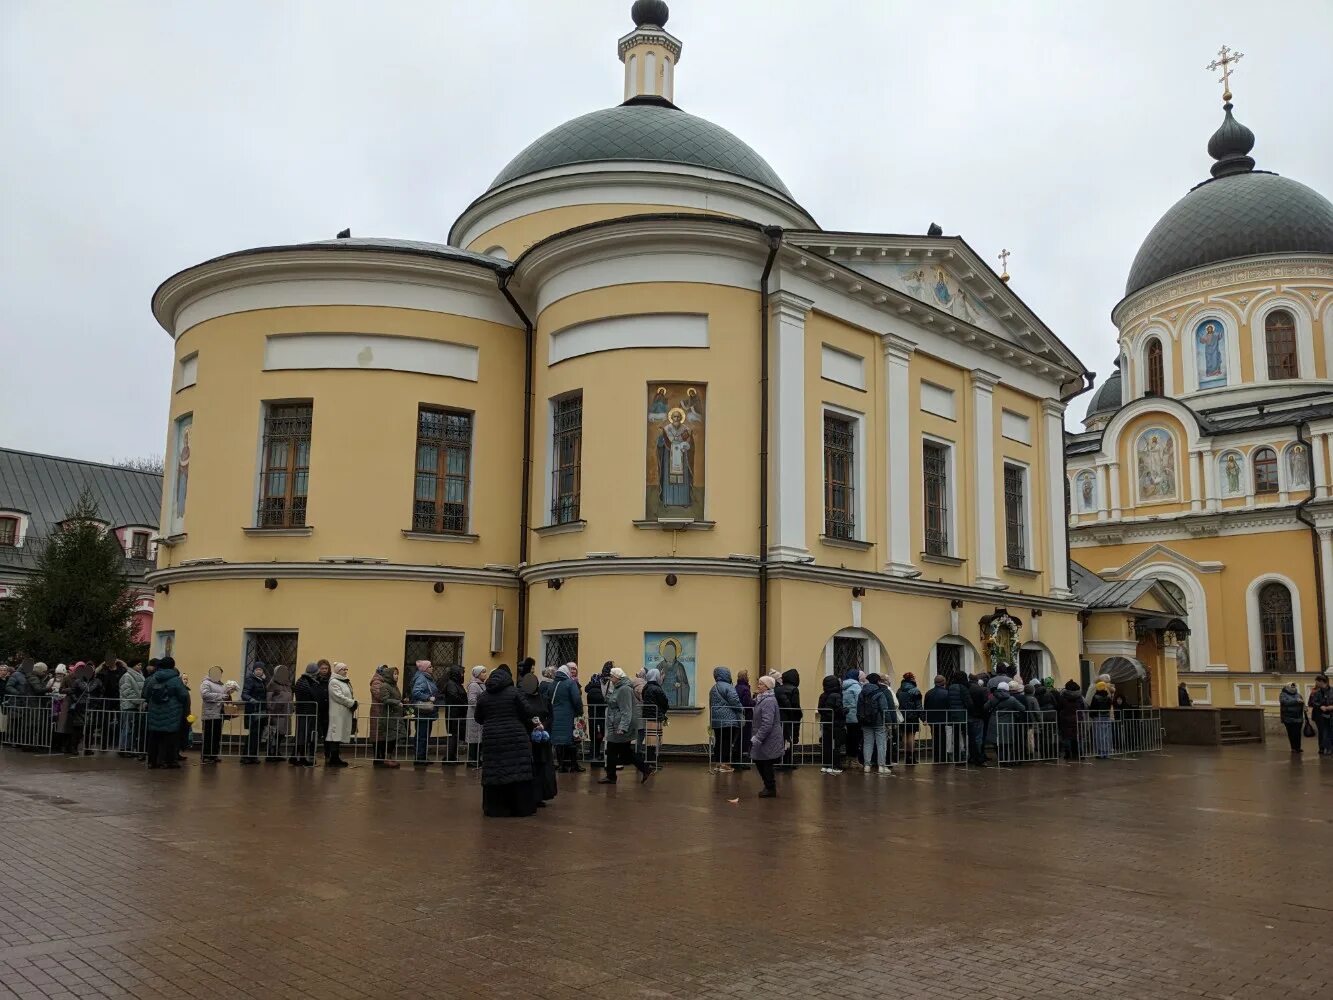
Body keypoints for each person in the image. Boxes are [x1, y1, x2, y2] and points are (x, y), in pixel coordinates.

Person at [473, 664, 540, 818]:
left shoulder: (484, 696)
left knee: (495, 771)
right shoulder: (514, 692)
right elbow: (528, 711)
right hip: (516, 737)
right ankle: (521, 807)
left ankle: (495, 808)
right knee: (518, 770)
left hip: (492, 738)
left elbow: (478, 717)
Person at [599, 667, 651, 784]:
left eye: (612, 677)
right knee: (625, 752)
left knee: (612, 750)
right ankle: (645, 768)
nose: (611, 680)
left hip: (620, 726)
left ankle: (611, 776)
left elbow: (626, 710)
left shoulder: (624, 689)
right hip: (617, 724)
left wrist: (622, 727)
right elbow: (613, 702)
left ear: (618, 677)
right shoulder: (619, 688)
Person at [142, 656, 189, 769]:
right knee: (170, 738)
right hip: (172, 714)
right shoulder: (175, 680)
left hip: (154, 713)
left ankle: (152, 761)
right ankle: (169, 761)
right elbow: (184, 695)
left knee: (154, 737)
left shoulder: (153, 678)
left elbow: (146, 694)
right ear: (173, 666)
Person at [750, 675, 785, 797]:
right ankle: (769, 786)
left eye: (761, 684)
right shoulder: (763, 699)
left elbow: (767, 723)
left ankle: (770, 788)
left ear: (767, 687)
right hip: (765, 738)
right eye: (758, 683)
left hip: (768, 738)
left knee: (765, 763)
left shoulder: (768, 701)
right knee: (761, 762)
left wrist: (758, 737)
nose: (758, 686)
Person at [549, 664, 585, 773]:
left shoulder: (553, 684)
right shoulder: (570, 683)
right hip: (569, 715)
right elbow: (576, 699)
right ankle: (574, 765)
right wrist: (580, 712)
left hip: (555, 715)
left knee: (559, 741)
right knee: (571, 740)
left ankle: (561, 765)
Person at [708, 666, 743, 773]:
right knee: (727, 742)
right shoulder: (729, 687)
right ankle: (726, 764)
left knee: (719, 742)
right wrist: (742, 709)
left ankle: (718, 764)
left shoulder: (713, 688)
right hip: (729, 720)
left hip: (717, 721)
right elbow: (735, 701)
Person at [858, 673, 892, 774]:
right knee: (881, 743)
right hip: (878, 721)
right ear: (878, 681)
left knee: (868, 743)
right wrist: (888, 722)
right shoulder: (880, 692)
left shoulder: (862, 692)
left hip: (865, 721)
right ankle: (881, 766)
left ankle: (867, 766)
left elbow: (858, 708)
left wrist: (860, 720)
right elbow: (884, 709)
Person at [369, 664, 403, 768]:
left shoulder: (386, 683)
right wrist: (395, 700)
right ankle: (379, 759)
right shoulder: (377, 682)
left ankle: (382, 758)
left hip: (384, 712)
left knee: (383, 736)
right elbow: (381, 696)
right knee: (378, 736)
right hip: (378, 712)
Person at [325, 663, 355, 767]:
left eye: (346, 669)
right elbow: (338, 696)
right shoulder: (333, 682)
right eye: (343, 669)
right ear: (338, 671)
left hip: (343, 712)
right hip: (337, 713)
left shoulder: (344, 681)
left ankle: (336, 757)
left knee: (339, 734)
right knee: (335, 735)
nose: (346, 671)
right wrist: (351, 703)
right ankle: (333, 758)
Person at [292, 663, 323, 766]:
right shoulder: (305, 682)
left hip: (306, 712)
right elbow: (313, 695)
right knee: (303, 735)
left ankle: (296, 757)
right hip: (305, 712)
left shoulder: (304, 681)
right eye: (317, 672)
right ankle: (300, 758)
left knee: (303, 735)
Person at [410, 659, 439, 767]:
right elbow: (416, 692)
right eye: (430, 666)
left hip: (427, 712)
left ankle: (422, 756)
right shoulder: (421, 678)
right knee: (422, 734)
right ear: (425, 668)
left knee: (424, 734)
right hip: (423, 711)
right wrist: (428, 697)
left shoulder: (427, 677)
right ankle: (419, 757)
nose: (432, 668)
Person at [240, 661, 268, 764]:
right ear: (254, 670)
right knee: (253, 734)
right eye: (257, 669)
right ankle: (246, 756)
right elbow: (244, 694)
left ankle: (253, 756)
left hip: (261, 711)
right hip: (253, 711)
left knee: (258, 734)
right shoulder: (250, 680)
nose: (259, 671)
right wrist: (252, 700)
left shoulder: (263, 681)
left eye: (260, 669)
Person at [775, 669, 802, 769]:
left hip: (779, 718)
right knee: (788, 740)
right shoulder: (794, 689)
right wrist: (798, 715)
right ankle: (787, 762)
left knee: (781, 740)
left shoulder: (779, 688)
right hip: (790, 719)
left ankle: (780, 761)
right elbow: (795, 705)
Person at [641, 668, 669, 763]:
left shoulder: (646, 687)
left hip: (648, 716)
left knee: (650, 740)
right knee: (654, 740)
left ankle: (650, 761)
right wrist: (664, 710)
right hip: (655, 717)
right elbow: (664, 701)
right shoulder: (656, 688)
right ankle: (652, 762)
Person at [441, 665, 468, 765]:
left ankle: (452, 757)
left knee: (455, 736)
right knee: (453, 735)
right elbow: (454, 696)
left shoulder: (457, 684)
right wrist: (465, 704)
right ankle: (449, 757)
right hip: (454, 714)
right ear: (456, 673)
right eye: (461, 673)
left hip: (458, 713)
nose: (462, 675)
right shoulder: (452, 684)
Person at [818, 675, 845, 774]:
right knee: (835, 745)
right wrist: (845, 711)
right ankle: (835, 766)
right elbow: (838, 710)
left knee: (826, 745)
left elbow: (820, 709)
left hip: (825, 723)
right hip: (836, 724)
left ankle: (826, 765)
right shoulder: (837, 695)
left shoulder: (822, 695)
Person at [585, 663, 610, 767]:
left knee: (593, 737)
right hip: (599, 717)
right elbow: (603, 703)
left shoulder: (589, 690)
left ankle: (593, 755)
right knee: (599, 737)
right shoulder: (598, 691)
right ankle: (596, 756)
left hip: (592, 717)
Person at [199, 667, 226, 763]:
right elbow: (205, 695)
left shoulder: (221, 685)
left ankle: (214, 755)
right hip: (209, 713)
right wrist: (220, 696)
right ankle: (206, 755)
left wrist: (227, 693)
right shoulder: (206, 683)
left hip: (219, 712)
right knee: (208, 735)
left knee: (216, 735)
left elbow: (223, 696)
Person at [266, 664, 293, 762]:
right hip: (276, 713)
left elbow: (289, 697)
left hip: (286, 713)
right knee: (274, 733)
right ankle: (270, 753)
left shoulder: (287, 684)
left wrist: (291, 708)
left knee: (282, 734)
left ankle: (276, 752)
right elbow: (269, 699)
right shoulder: (272, 684)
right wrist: (271, 708)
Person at [897, 672, 923, 764]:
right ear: (912, 679)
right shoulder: (915, 690)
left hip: (902, 716)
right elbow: (919, 706)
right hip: (912, 716)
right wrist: (923, 718)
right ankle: (912, 757)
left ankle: (906, 757)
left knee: (904, 735)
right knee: (911, 736)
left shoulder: (899, 690)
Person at [924, 674, 951, 763]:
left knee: (934, 738)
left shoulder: (928, 693)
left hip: (932, 720)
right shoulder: (947, 693)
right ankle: (943, 757)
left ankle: (936, 757)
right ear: (944, 682)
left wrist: (925, 718)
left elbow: (926, 707)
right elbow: (949, 706)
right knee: (943, 739)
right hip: (943, 719)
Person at [841, 667, 863, 768]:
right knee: (855, 739)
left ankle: (848, 760)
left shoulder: (844, 686)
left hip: (846, 716)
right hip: (855, 717)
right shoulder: (856, 687)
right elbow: (860, 702)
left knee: (849, 739)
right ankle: (854, 761)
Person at [1056, 680, 1084, 761]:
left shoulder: (1063, 697)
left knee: (1066, 737)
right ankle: (1080, 753)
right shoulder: (1079, 697)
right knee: (1078, 736)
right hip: (1078, 719)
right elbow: (1083, 706)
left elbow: (1059, 707)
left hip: (1065, 720)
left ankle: (1068, 753)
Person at [465, 665, 487, 768]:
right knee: (473, 738)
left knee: (478, 737)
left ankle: (477, 759)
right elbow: (472, 700)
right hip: (474, 715)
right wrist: (482, 705)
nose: (485, 674)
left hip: (480, 715)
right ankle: (472, 760)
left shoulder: (482, 684)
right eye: (483, 672)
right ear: (477, 674)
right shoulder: (474, 685)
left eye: (485, 672)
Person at [1088, 681, 1113, 759]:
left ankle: (1100, 752)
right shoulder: (1108, 697)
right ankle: (1107, 753)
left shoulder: (1095, 697)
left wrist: (1091, 715)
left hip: (1098, 718)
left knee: (1099, 735)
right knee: (1107, 735)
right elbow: (1109, 707)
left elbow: (1093, 708)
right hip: (1107, 717)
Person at [1278, 682, 1306, 753]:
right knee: (1291, 733)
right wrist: (1295, 701)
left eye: (1294, 687)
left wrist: (1304, 707)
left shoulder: (1298, 694)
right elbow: (1284, 702)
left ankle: (1298, 747)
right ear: (1287, 687)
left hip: (1298, 717)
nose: (1293, 688)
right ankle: (1293, 747)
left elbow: (1302, 702)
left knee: (1298, 733)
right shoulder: (1283, 694)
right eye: (1292, 687)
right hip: (1288, 718)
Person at [1309, 673, 1333, 756]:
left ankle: (1329, 748)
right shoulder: (1316, 692)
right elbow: (1312, 702)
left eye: (1317, 682)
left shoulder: (1332, 690)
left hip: (1331, 714)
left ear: (1322, 681)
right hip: (1320, 715)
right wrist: (1320, 706)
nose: (1316, 683)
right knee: (1324, 732)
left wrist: (1331, 707)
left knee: (1330, 731)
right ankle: (1325, 748)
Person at [735, 669, 754, 768]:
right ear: (745, 677)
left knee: (738, 738)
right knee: (743, 739)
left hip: (739, 715)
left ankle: (737, 760)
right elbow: (747, 703)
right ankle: (740, 762)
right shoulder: (745, 689)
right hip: (746, 717)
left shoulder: (737, 687)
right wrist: (754, 701)